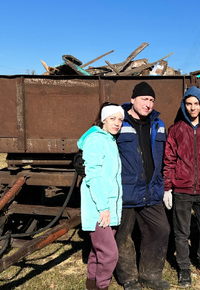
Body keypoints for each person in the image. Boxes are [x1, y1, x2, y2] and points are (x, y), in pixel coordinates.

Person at [114, 81, 171, 290]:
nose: (148, 104)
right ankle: (128, 278)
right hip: (126, 190)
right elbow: (98, 139)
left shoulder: (158, 123)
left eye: (151, 100)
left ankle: (150, 274)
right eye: (144, 99)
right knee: (122, 235)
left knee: (161, 229)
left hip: (151, 190)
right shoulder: (118, 121)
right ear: (133, 100)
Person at [162, 86, 200, 287]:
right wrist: (168, 187)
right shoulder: (176, 130)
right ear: (183, 105)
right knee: (181, 232)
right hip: (182, 190)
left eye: (196, 104)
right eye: (188, 103)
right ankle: (184, 268)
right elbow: (169, 160)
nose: (192, 108)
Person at [77, 102, 124, 290]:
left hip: (108, 206)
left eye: (120, 119)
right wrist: (103, 207)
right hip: (99, 207)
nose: (117, 123)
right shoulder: (96, 140)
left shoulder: (109, 140)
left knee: (98, 251)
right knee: (110, 253)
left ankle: (92, 284)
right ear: (103, 119)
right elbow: (93, 176)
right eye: (112, 118)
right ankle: (101, 286)